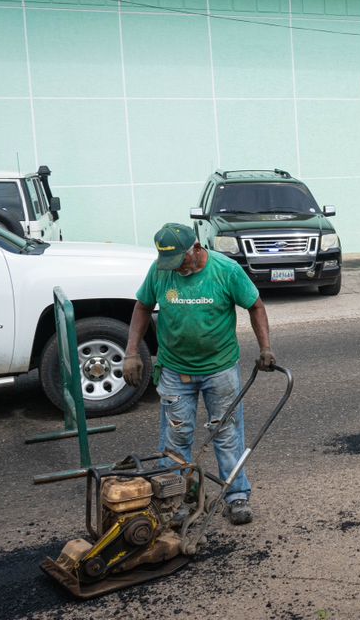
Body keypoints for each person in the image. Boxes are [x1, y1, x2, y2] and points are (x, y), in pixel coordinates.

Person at [122, 223, 275, 525]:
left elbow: (255, 306)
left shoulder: (225, 270)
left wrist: (265, 347)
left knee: (226, 433)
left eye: (180, 261)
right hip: (175, 370)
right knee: (176, 437)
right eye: (170, 263)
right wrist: (130, 352)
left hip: (220, 369)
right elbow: (142, 306)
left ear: (195, 249)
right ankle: (176, 499)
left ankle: (236, 496)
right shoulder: (161, 271)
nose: (175, 268)